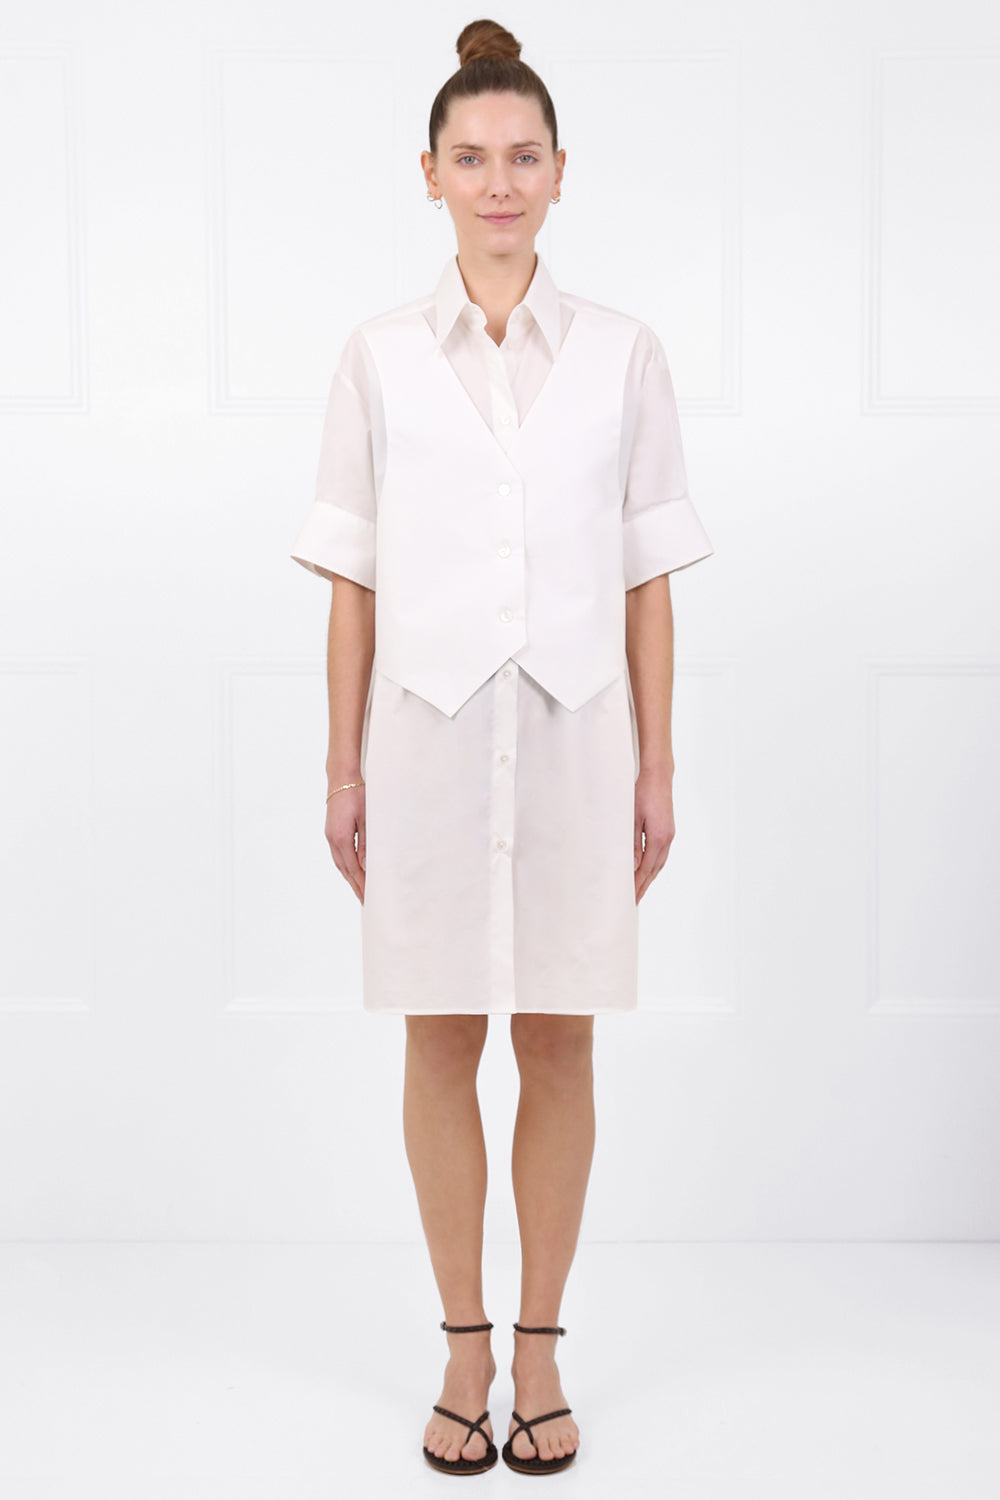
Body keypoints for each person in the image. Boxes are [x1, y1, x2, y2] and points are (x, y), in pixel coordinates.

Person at [289, 17, 714, 1477]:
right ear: (429, 174)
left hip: (578, 743)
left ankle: (541, 1350)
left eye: (523, 157)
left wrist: (659, 766)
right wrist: (341, 771)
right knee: (439, 1036)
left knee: (558, 1037)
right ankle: (463, 1344)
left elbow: (649, 576)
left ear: (561, 170)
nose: (499, 183)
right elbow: (351, 581)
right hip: (425, 745)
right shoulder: (378, 358)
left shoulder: (624, 355)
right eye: (470, 158)